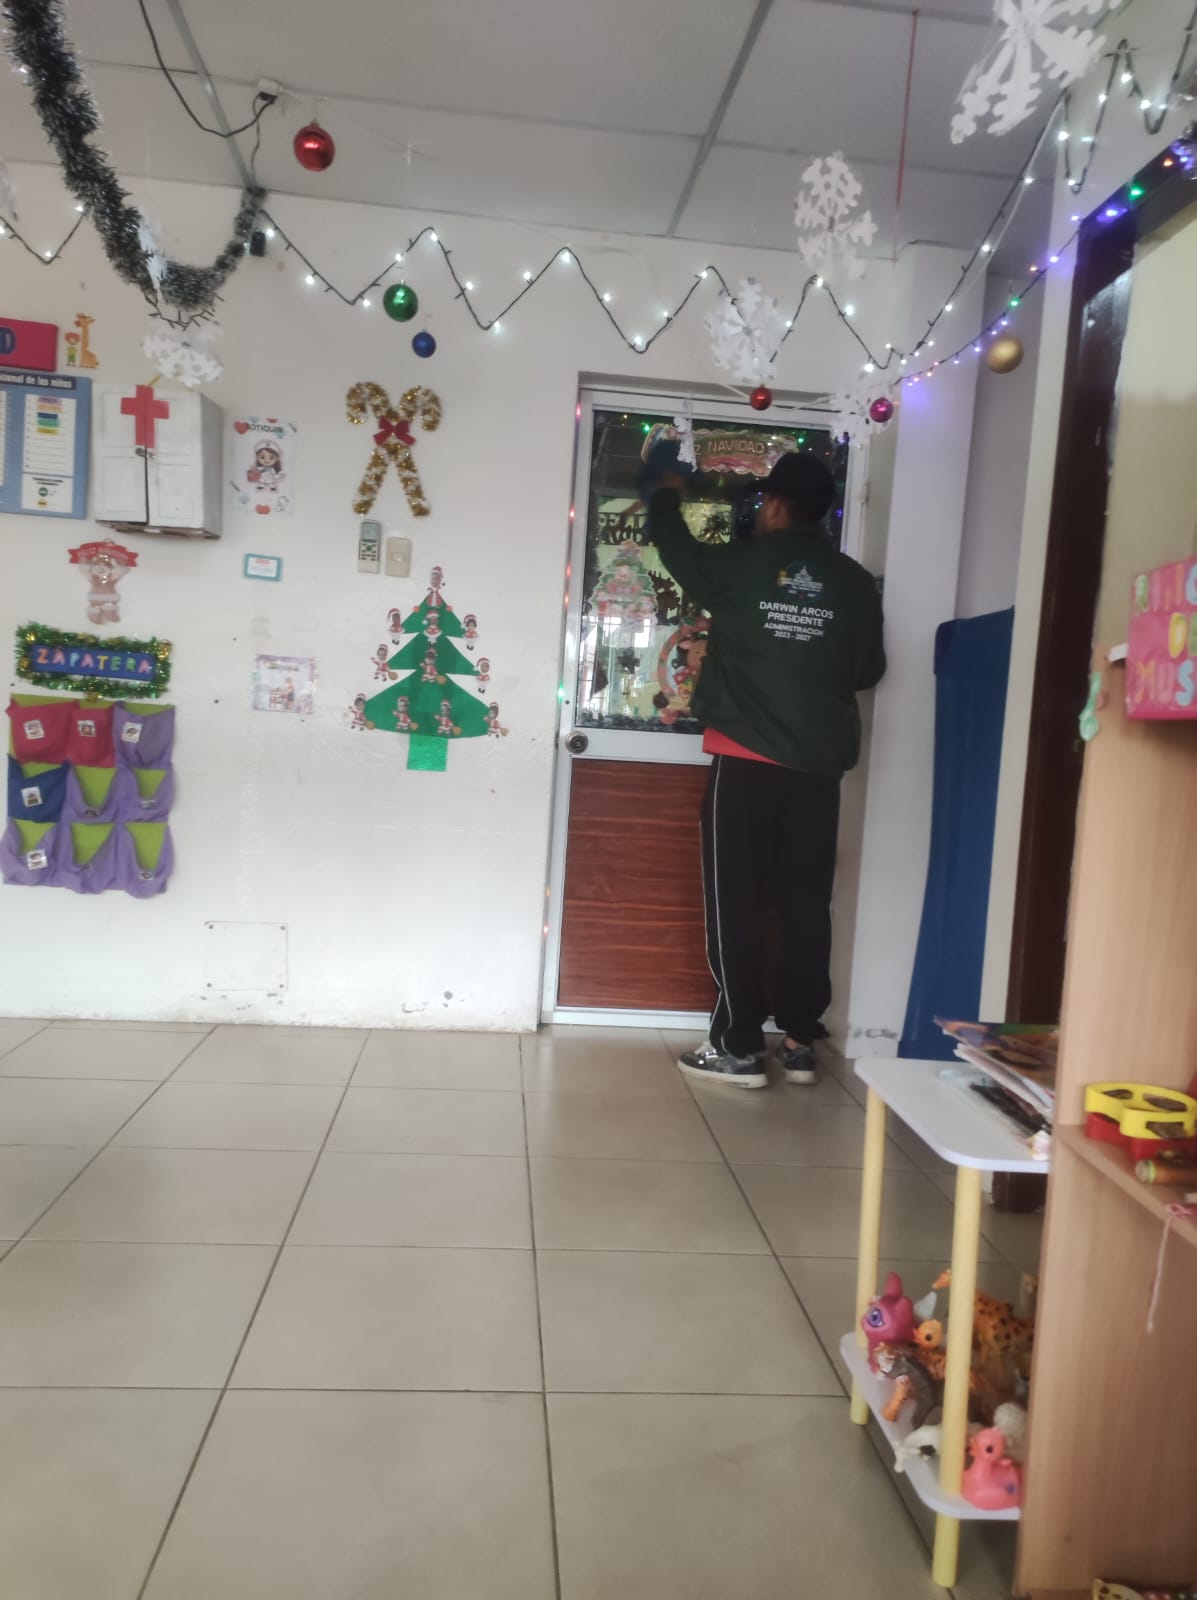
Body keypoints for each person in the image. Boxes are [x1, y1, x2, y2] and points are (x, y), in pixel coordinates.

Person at [644, 443, 885, 1089]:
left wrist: (665, 495)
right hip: (817, 772)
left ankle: (738, 1047)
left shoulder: (743, 565)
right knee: (806, 903)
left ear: (775, 506)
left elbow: (677, 551)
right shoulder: (855, 584)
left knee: (738, 903)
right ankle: (801, 1040)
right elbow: (868, 671)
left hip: (745, 762)